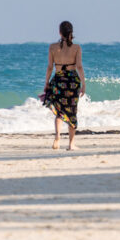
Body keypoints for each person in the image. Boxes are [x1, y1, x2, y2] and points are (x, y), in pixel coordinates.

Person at [43, 21, 85, 151]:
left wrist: (46, 83)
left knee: (59, 111)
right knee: (72, 111)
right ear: (71, 32)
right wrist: (83, 83)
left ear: (59, 32)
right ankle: (71, 144)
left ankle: (57, 137)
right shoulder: (76, 47)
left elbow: (50, 67)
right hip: (72, 81)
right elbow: (79, 67)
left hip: (58, 79)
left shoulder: (52, 47)